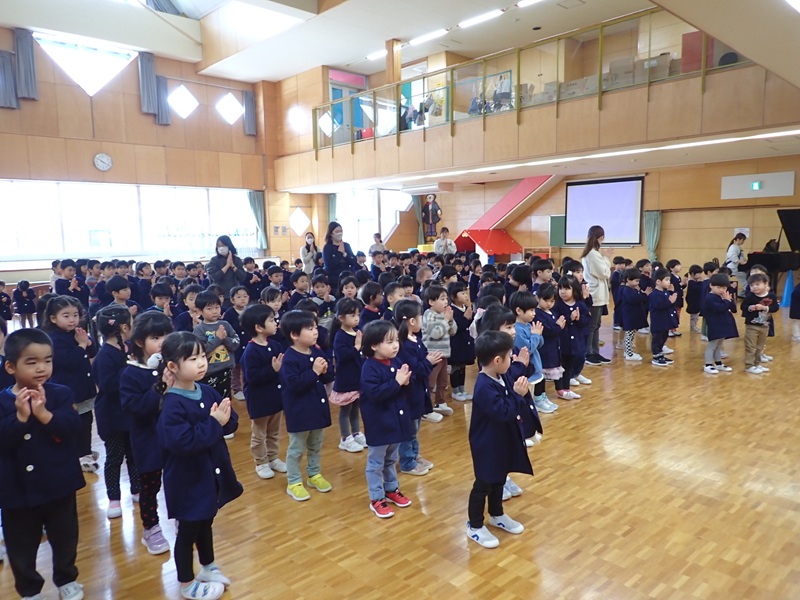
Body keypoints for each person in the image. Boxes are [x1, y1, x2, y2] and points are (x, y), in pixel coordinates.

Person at [0, 328, 86, 600]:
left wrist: (45, 414)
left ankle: (67, 578)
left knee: (65, 537)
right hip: (16, 491)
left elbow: (72, 429)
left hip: (58, 484)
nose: (41, 368)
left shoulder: (60, 394)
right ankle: (29, 590)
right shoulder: (2, 401)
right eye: (32, 362)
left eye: (47, 360)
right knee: (20, 546)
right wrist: (20, 418)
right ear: (11, 367)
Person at [157, 332, 242, 600]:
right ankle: (186, 583)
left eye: (203, 356)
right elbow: (183, 442)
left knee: (206, 521)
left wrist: (225, 419)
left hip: (208, 475)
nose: (202, 363)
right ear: (173, 366)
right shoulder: (172, 404)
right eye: (193, 359)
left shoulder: (206, 390)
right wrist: (214, 422)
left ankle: (208, 566)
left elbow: (230, 421)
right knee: (188, 531)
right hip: (187, 480)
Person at [466, 330, 533, 549]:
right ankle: (475, 525)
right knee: (483, 484)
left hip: (501, 441)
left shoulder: (499, 375)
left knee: (499, 479)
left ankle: (497, 514)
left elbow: (513, 374)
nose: (511, 360)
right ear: (497, 360)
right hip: (487, 445)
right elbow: (503, 413)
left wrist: (521, 364)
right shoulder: (484, 386)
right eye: (509, 357)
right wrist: (518, 396)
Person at [120, 311, 173, 555]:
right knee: (150, 488)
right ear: (140, 341)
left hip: (173, 437)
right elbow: (137, 408)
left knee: (177, 480)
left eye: (166, 336)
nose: (163, 342)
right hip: (147, 440)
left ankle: (182, 517)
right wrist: (160, 386)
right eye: (156, 337)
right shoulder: (131, 373)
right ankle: (151, 527)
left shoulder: (170, 365)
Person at [359, 320, 414, 519]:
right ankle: (376, 497)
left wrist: (406, 381)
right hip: (380, 424)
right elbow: (375, 394)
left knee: (391, 459)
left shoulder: (396, 362)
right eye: (389, 342)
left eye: (396, 340)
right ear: (374, 345)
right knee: (376, 462)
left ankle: (391, 489)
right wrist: (397, 382)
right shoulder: (369, 367)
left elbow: (403, 388)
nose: (395, 345)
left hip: (396, 422)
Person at [279, 310, 335, 502]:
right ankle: (294, 482)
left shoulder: (316, 350)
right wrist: (314, 372)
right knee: (296, 449)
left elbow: (327, 377)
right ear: (295, 335)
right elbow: (295, 385)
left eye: (315, 327)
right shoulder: (289, 358)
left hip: (317, 409)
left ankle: (314, 474)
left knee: (315, 445)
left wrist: (325, 371)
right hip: (300, 412)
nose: (315, 332)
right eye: (310, 329)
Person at [92, 306, 140, 520]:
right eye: (132, 322)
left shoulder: (128, 348)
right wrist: (130, 367)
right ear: (123, 327)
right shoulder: (105, 355)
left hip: (130, 412)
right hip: (112, 416)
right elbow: (108, 385)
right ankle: (113, 498)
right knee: (114, 457)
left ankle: (137, 488)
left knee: (134, 453)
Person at [43, 295, 98, 473]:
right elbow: (68, 361)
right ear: (53, 318)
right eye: (66, 316)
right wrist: (81, 345)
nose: (72, 319)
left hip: (84, 388)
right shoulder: (54, 338)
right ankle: (76, 454)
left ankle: (85, 452)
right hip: (68, 390)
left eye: (75, 315)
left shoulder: (78, 332)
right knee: (73, 423)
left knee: (86, 421)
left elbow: (92, 352)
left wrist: (88, 342)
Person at [240, 304, 286, 480]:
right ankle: (261, 462)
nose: (276, 323)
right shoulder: (251, 351)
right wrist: (272, 370)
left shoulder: (275, 345)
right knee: (259, 434)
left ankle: (273, 458)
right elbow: (252, 377)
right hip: (259, 400)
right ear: (259, 327)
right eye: (271, 320)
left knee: (274, 432)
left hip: (275, 397)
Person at [394, 299, 441, 475]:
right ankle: (407, 462)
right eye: (421, 317)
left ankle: (414, 455)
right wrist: (428, 362)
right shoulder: (404, 345)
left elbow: (423, 361)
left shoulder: (416, 339)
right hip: (409, 393)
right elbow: (414, 369)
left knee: (415, 427)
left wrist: (429, 360)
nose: (423, 320)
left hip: (420, 392)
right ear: (412, 321)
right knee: (409, 429)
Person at [330, 298, 367, 453]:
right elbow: (343, 356)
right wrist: (357, 347)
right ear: (341, 318)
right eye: (352, 315)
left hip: (357, 377)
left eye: (358, 315)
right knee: (346, 410)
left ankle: (356, 433)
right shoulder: (340, 336)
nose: (356, 318)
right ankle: (345, 438)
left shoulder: (357, 331)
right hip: (346, 378)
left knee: (355, 408)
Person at [193, 291, 240, 402]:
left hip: (226, 369)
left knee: (225, 400)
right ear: (200, 311)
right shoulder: (199, 329)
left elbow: (236, 343)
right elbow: (201, 350)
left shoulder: (225, 324)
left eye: (217, 307)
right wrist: (218, 338)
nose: (214, 311)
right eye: (209, 309)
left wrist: (225, 338)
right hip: (209, 372)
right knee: (210, 401)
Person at [422, 284, 457, 418]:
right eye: (442, 299)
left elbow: (453, 331)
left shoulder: (444, 315)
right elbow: (435, 333)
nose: (446, 302)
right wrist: (446, 320)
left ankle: (440, 403)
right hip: (433, 354)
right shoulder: (429, 314)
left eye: (446, 299)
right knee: (431, 382)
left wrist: (451, 320)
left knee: (443, 382)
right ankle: (426, 408)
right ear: (431, 302)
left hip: (444, 354)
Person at [553, 276, 590, 397]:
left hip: (576, 342)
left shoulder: (580, 305)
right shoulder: (557, 305)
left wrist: (579, 319)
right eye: (560, 288)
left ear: (574, 290)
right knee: (561, 366)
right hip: (562, 342)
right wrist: (570, 318)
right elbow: (558, 322)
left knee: (570, 365)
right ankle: (560, 389)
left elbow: (587, 320)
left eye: (566, 288)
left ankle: (567, 388)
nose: (562, 291)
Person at [580, 225, 612, 365]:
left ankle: (595, 352)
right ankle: (588, 353)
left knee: (596, 324)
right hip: (595, 293)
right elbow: (605, 273)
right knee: (592, 325)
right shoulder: (593, 254)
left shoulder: (593, 253)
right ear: (601, 238)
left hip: (597, 292)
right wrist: (607, 258)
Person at [740, 272, 779, 374]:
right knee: (750, 346)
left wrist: (764, 308)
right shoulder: (750, 296)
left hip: (765, 325)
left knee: (760, 347)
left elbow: (775, 308)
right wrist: (750, 307)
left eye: (757, 284)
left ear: (766, 284)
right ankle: (749, 366)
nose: (754, 287)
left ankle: (757, 364)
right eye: (752, 285)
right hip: (751, 325)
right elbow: (743, 306)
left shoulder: (771, 296)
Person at [701, 273, 737, 374]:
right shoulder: (709, 298)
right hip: (715, 325)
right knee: (712, 345)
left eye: (724, 288)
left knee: (718, 345)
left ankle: (718, 363)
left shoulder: (724, 296)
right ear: (711, 285)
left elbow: (734, 309)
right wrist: (726, 301)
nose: (721, 290)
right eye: (718, 287)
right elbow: (719, 308)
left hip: (723, 324)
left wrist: (730, 300)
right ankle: (708, 364)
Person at [448, 281, 475, 401]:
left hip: (466, 342)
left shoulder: (466, 308)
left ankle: (462, 389)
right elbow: (455, 328)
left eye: (465, 293)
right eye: (462, 293)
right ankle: (455, 390)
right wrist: (465, 318)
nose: (465, 295)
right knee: (456, 366)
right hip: (456, 343)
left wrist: (470, 315)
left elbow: (471, 325)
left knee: (463, 367)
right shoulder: (451, 310)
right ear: (453, 297)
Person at [648, 270, 679, 367]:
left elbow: (668, 303)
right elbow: (659, 305)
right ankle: (656, 356)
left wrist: (671, 293)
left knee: (663, 338)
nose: (669, 282)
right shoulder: (655, 294)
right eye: (666, 280)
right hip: (658, 322)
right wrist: (670, 301)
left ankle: (660, 354)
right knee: (657, 339)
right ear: (658, 281)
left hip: (665, 321)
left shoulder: (665, 292)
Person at [205, 235, 248, 303]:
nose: (221, 248)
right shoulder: (214, 260)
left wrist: (232, 265)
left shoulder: (236, 259)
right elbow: (215, 277)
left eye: (223, 245)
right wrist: (227, 265)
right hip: (219, 295)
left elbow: (242, 277)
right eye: (219, 246)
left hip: (234, 294)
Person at [619, 269, 650, 361]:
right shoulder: (627, 290)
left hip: (632, 316)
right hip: (630, 317)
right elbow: (634, 299)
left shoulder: (631, 289)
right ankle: (629, 354)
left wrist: (640, 293)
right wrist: (645, 295)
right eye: (636, 281)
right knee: (629, 335)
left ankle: (628, 352)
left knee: (631, 335)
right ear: (628, 280)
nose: (638, 283)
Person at [322, 222, 360, 292]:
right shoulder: (327, 247)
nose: (339, 233)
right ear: (331, 233)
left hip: (347, 279)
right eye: (337, 231)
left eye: (341, 231)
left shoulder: (346, 245)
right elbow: (329, 264)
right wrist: (339, 253)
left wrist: (345, 254)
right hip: (333, 281)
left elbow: (354, 261)